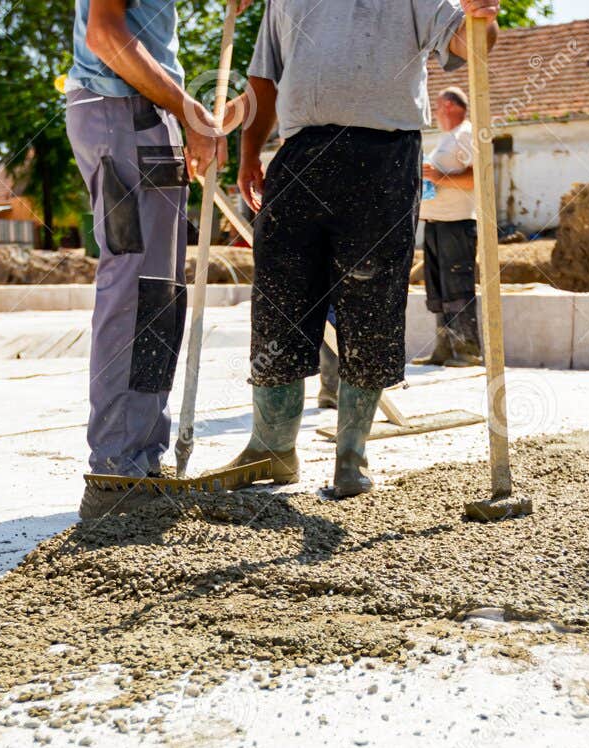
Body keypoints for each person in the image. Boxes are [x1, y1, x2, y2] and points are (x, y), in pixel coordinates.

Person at [222, 0, 500, 499]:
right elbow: (264, 79)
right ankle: (272, 447)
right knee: (278, 301)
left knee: (371, 306)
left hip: (384, 156)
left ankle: (351, 456)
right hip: (301, 151)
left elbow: (466, 44)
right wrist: (248, 154)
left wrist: (482, 19)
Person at [66, 0, 244, 519]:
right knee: (136, 290)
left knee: (159, 296)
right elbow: (104, 33)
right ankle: (115, 471)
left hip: (142, 113)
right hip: (122, 108)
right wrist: (191, 111)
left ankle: (138, 461)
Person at [413, 87, 481, 368]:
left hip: (457, 224)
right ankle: (444, 348)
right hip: (436, 224)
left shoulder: (465, 134)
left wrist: (440, 177)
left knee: (457, 286)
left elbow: (477, 176)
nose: (436, 113)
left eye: (438, 107)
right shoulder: (448, 138)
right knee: (439, 291)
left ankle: (468, 350)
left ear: (451, 106)